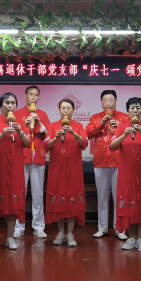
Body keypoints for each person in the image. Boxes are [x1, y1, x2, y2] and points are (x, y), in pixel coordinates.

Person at [0, 92, 30, 251]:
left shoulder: (20, 122)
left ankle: (10, 238)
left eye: (13, 103)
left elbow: (28, 143)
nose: (10, 106)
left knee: (13, 203)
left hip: (15, 168)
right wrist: (2, 134)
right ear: (1, 105)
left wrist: (20, 132)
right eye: (7, 103)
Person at [110, 97, 141, 252]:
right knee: (128, 203)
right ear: (128, 111)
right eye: (132, 108)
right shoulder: (121, 127)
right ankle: (131, 237)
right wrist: (124, 135)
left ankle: (140, 238)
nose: (135, 111)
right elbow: (112, 146)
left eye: (138, 108)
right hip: (126, 173)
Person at [86, 90, 130, 240]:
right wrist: (101, 124)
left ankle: (120, 229)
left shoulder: (124, 117)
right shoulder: (96, 117)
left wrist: (120, 126)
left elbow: (131, 135)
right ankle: (102, 228)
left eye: (111, 100)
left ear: (116, 102)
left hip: (120, 161)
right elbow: (88, 134)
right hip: (101, 161)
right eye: (105, 100)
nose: (108, 103)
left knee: (119, 197)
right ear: (101, 103)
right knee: (102, 197)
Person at [44, 99, 88, 247]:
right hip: (57, 168)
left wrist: (74, 133)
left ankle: (70, 233)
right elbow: (46, 145)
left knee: (72, 200)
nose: (66, 110)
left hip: (74, 168)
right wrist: (56, 137)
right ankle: (60, 232)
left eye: (69, 108)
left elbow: (84, 143)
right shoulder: (52, 126)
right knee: (58, 198)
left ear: (73, 110)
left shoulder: (78, 126)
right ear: (59, 110)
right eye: (63, 108)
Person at [14, 85, 51, 239]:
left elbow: (48, 136)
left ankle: (39, 226)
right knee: (19, 193)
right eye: (31, 94)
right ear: (25, 96)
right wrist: (25, 124)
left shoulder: (42, 114)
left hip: (38, 157)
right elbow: (14, 134)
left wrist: (39, 123)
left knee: (38, 193)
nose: (33, 97)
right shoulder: (17, 113)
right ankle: (18, 226)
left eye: (36, 95)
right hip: (21, 157)